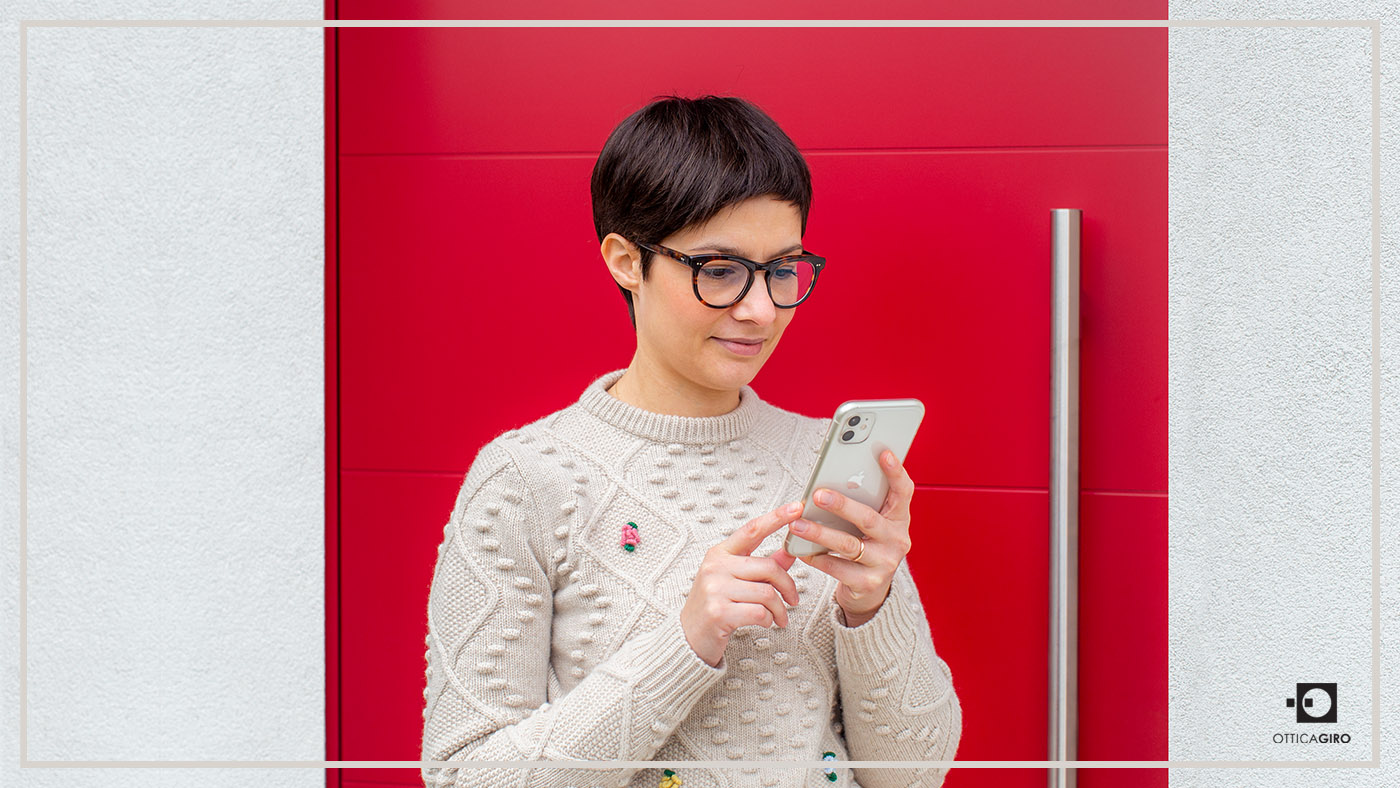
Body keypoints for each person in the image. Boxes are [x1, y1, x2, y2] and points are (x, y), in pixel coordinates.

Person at [420, 94, 961, 788]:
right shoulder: (527, 477)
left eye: (783, 269)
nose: (761, 308)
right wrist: (685, 644)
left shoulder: (819, 462)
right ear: (624, 260)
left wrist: (872, 607)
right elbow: (464, 778)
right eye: (720, 270)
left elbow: (915, 774)